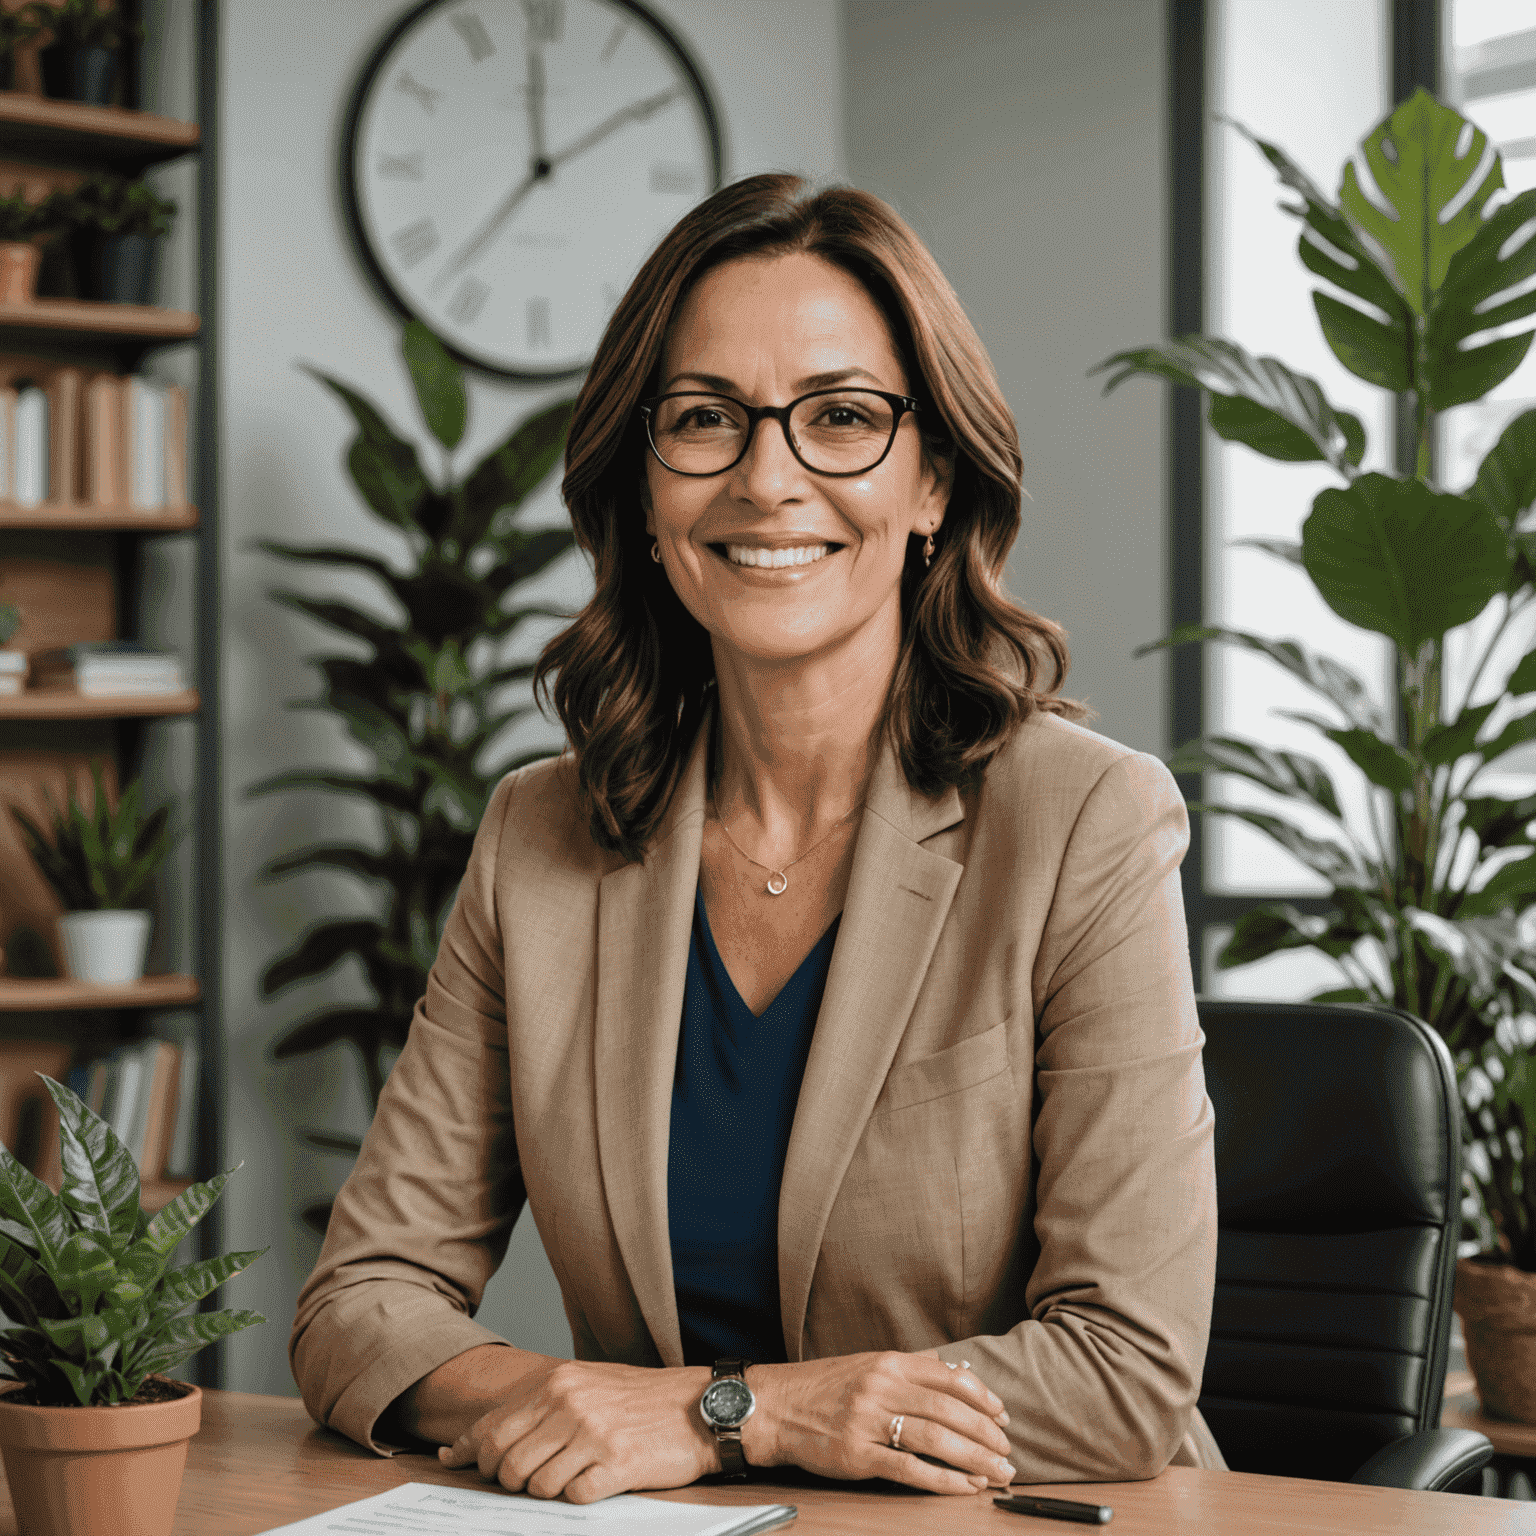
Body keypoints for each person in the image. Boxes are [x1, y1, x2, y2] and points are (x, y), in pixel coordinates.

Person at [289, 172, 1225, 1503]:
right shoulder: (537, 836)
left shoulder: (1084, 822)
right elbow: (359, 1305)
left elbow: (1123, 1371)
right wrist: (624, 1411)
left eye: (842, 418)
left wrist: (730, 1416)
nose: (766, 478)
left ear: (935, 487)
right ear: (647, 497)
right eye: (705, 421)